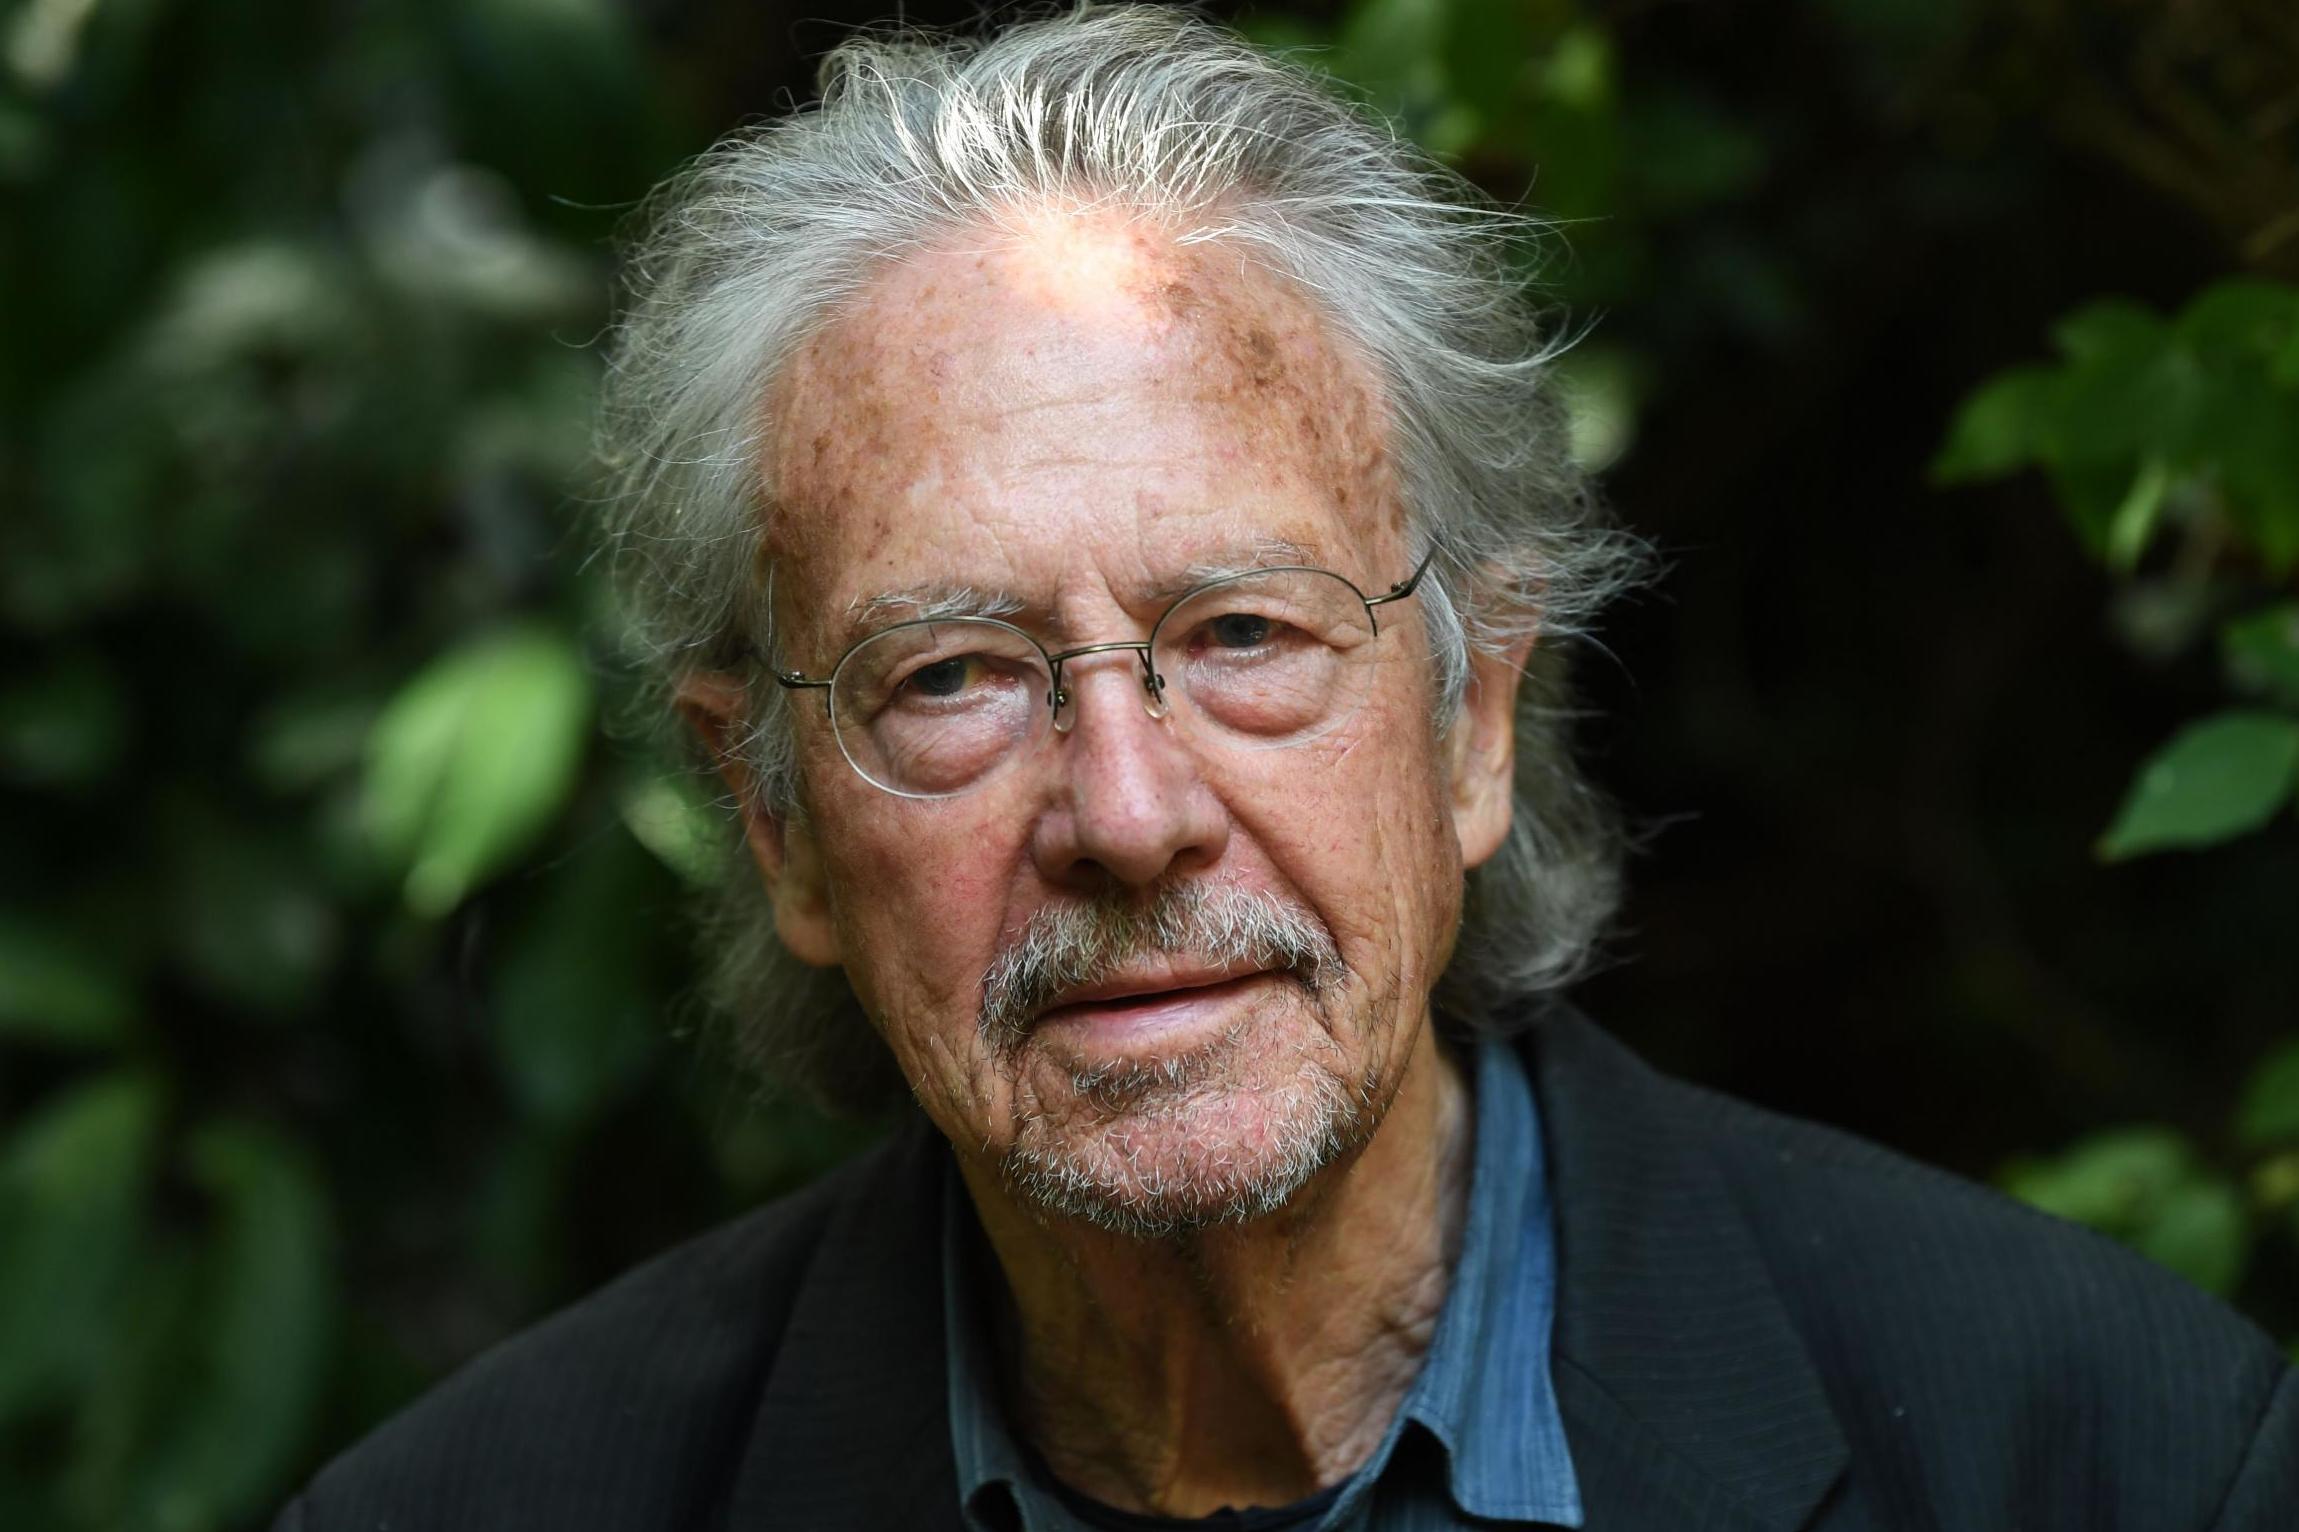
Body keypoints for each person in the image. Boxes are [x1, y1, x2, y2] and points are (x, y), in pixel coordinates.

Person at [276, 7, 2295, 1529]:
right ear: (772, 816)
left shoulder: (2114, 1454)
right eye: (956, 673)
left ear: (1472, 714)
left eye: (1241, 635)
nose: (1129, 812)